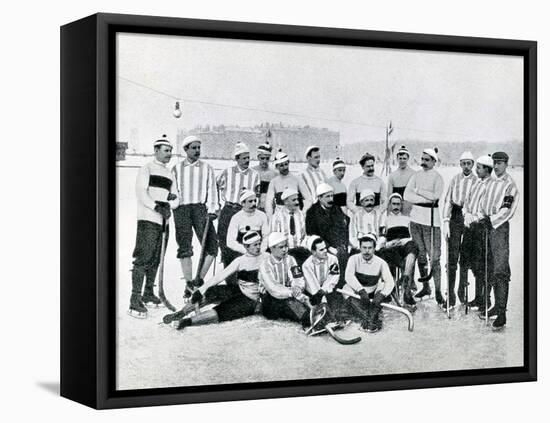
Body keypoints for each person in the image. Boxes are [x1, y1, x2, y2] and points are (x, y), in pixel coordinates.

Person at [129, 135, 179, 318]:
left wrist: (169, 205)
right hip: (148, 219)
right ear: (156, 150)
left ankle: (148, 293)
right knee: (143, 257)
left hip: (164, 221)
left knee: (157, 258)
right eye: (166, 151)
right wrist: (157, 206)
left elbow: (176, 197)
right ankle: (134, 300)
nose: (169, 154)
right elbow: (141, 193)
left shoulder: (170, 173)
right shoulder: (146, 168)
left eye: (170, 151)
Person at [174, 231, 264, 330]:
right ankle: (182, 312)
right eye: (255, 245)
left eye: (259, 244)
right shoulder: (240, 261)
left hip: (251, 299)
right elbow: (220, 276)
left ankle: (188, 321)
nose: (258, 247)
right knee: (211, 291)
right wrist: (201, 290)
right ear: (246, 247)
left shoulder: (266, 258)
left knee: (224, 310)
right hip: (239, 291)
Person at [171, 135, 219, 293]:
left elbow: (212, 189)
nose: (197, 151)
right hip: (182, 209)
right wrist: (172, 204)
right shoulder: (177, 169)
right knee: (185, 247)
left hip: (200, 209)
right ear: (185, 149)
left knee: (212, 246)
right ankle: (188, 283)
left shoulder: (207, 168)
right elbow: (172, 192)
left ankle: (197, 281)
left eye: (199, 147)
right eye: (194, 148)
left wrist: (213, 209)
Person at [478, 151, 520, 330]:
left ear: (506, 164)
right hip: (486, 226)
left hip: (499, 228)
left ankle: (502, 312)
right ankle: (495, 304)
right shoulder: (491, 182)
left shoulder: (510, 185)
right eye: (494, 163)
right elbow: (482, 203)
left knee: (500, 269)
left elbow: (507, 210)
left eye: (500, 163)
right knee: (489, 265)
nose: (496, 166)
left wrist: (492, 220)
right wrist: (481, 217)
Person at [404, 147, 445, 305]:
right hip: (416, 220)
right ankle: (426, 287)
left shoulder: (438, 177)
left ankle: (439, 291)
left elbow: (435, 197)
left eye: (427, 160)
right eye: (422, 159)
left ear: (434, 161)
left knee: (434, 258)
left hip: (432, 222)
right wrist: (424, 199)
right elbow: (407, 195)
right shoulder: (415, 175)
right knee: (420, 255)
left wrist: (419, 191)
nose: (423, 162)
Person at [217, 142, 260, 277]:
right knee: (226, 245)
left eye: (248, 157)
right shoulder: (227, 172)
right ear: (237, 158)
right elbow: (214, 188)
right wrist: (216, 207)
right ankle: (229, 279)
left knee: (243, 244)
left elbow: (256, 195)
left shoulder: (254, 175)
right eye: (243, 158)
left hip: (245, 212)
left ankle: (243, 278)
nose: (247, 160)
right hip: (229, 210)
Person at [441, 151, 477, 310]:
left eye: (469, 163)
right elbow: (448, 200)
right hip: (455, 216)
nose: (466, 166)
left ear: (473, 164)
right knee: (452, 255)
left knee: (466, 255)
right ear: (460, 164)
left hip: (469, 217)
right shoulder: (455, 179)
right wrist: (446, 220)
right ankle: (451, 293)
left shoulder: (477, 181)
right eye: (464, 163)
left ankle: (462, 288)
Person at [461, 155, 494, 312]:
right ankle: (478, 297)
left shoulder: (491, 185)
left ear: (487, 170)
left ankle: (485, 299)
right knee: (474, 264)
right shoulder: (477, 183)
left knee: (484, 265)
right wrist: (466, 214)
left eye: (479, 167)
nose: (476, 170)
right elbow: (467, 203)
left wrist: (476, 217)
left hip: (482, 228)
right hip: (470, 227)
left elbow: (488, 208)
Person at [343, 234, 395, 332]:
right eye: (364, 248)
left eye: (370, 248)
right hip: (359, 293)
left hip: (373, 291)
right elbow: (348, 276)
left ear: (374, 249)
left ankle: (371, 315)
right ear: (360, 248)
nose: (367, 251)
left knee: (383, 285)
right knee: (346, 288)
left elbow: (390, 281)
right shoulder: (353, 259)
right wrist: (360, 290)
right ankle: (369, 318)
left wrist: (382, 294)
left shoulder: (381, 262)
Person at [259, 232, 311, 326]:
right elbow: (273, 288)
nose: (285, 250)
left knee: (298, 300)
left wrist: (298, 287)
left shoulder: (291, 259)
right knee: (290, 303)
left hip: (289, 293)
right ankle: (307, 318)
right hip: (271, 298)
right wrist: (293, 292)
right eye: (281, 247)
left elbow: (297, 277)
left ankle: (313, 315)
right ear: (271, 248)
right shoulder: (265, 265)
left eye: (286, 246)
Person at [377, 193, 419, 307]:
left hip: (405, 245)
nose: (396, 206)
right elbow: (382, 237)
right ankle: (395, 290)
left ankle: (405, 281)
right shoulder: (385, 219)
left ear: (401, 205)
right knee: (384, 254)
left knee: (412, 248)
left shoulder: (407, 219)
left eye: (398, 204)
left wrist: (404, 241)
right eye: (394, 204)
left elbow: (411, 236)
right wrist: (389, 243)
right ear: (390, 205)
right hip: (391, 248)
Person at [305, 183, 350, 287]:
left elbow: (344, 228)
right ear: (320, 198)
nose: (331, 199)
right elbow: (312, 234)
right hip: (322, 247)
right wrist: (329, 247)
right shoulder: (312, 212)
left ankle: (343, 288)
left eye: (332, 196)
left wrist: (344, 244)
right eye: (327, 196)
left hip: (339, 246)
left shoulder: (336, 208)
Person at [302, 235, 344, 319]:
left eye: (325, 248)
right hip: (313, 292)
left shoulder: (333, 259)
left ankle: (332, 317)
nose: (325, 251)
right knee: (317, 309)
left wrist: (323, 291)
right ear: (313, 252)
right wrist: (322, 299)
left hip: (327, 289)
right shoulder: (306, 265)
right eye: (321, 250)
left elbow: (333, 277)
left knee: (337, 309)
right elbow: (312, 284)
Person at [270, 188, 310, 266]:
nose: (297, 202)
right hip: (284, 252)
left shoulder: (300, 214)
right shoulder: (277, 216)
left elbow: (304, 234)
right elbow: (275, 238)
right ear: (286, 202)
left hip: (300, 250)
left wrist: (301, 247)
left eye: (297, 199)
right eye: (294, 200)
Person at [264, 150, 307, 220]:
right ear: (277, 166)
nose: (285, 167)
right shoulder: (274, 182)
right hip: (280, 217)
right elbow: (269, 202)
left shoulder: (297, 179)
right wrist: (270, 217)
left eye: (286, 164)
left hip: (295, 216)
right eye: (281, 165)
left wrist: (303, 212)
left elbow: (308, 198)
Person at [349, 189, 380, 253]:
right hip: (360, 246)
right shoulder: (356, 215)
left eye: (371, 200)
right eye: (367, 200)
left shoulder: (379, 215)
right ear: (361, 203)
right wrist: (360, 247)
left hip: (376, 246)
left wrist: (376, 247)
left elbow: (383, 234)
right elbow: (352, 235)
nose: (370, 203)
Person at [299, 145, 328, 212]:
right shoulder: (302, 175)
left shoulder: (322, 173)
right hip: (311, 211)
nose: (318, 160)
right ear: (308, 158)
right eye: (316, 157)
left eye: (319, 157)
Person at [387, 145, 415, 215]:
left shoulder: (413, 174)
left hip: (410, 209)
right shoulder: (392, 176)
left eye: (404, 158)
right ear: (397, 159)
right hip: (396, 210)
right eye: (400, 158)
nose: (402, 161)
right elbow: (389, 197)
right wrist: (388, 215)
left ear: (408, 158)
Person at [252, 142, 278, 212]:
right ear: (258, 157)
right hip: (253, 207)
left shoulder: (275, 173)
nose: (265, 161)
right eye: (262, 158)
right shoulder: (252, 172)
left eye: (267, 158)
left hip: (269, 208)